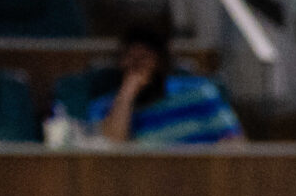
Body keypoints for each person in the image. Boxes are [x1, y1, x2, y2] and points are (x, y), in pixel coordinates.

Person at [85, 22, 243, 144]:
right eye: (131, 59)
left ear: (161, 62)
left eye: (145, 58)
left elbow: (234, 142)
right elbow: (111, 150)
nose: (138, 67)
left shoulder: (199, 92)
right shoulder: (104, 108)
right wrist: (127, 95)